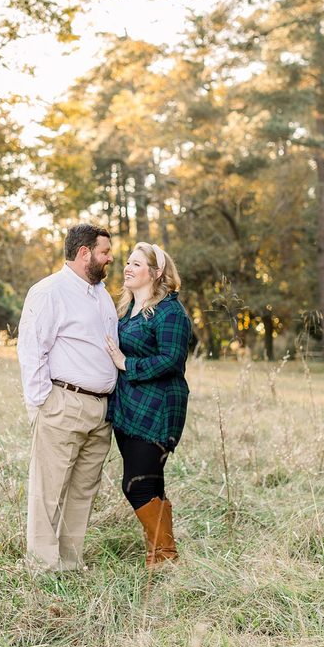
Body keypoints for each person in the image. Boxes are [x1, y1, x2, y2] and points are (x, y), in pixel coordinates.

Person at [17, 223, 118, 572]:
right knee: (48, 491)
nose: (111, 258)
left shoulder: (102, 295)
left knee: (82, 491)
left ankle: (71, 562)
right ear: (84, 253)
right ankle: (43, 566)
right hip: (63, 403)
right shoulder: (50, 292)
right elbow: (31, 350)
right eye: (105, 252)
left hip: (100, 409)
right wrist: (42, 404)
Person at [105, 242, 191, 567]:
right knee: (150, 482)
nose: (127, 267)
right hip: (128, 407)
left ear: (155, 273)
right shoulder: (127, 310)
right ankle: (160, 558)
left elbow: (171, 359)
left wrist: (127, 364)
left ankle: (165, 555)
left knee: (136, 484)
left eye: (136, 264)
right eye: (127, 262)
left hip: (157, 409)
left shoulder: (170, 311)